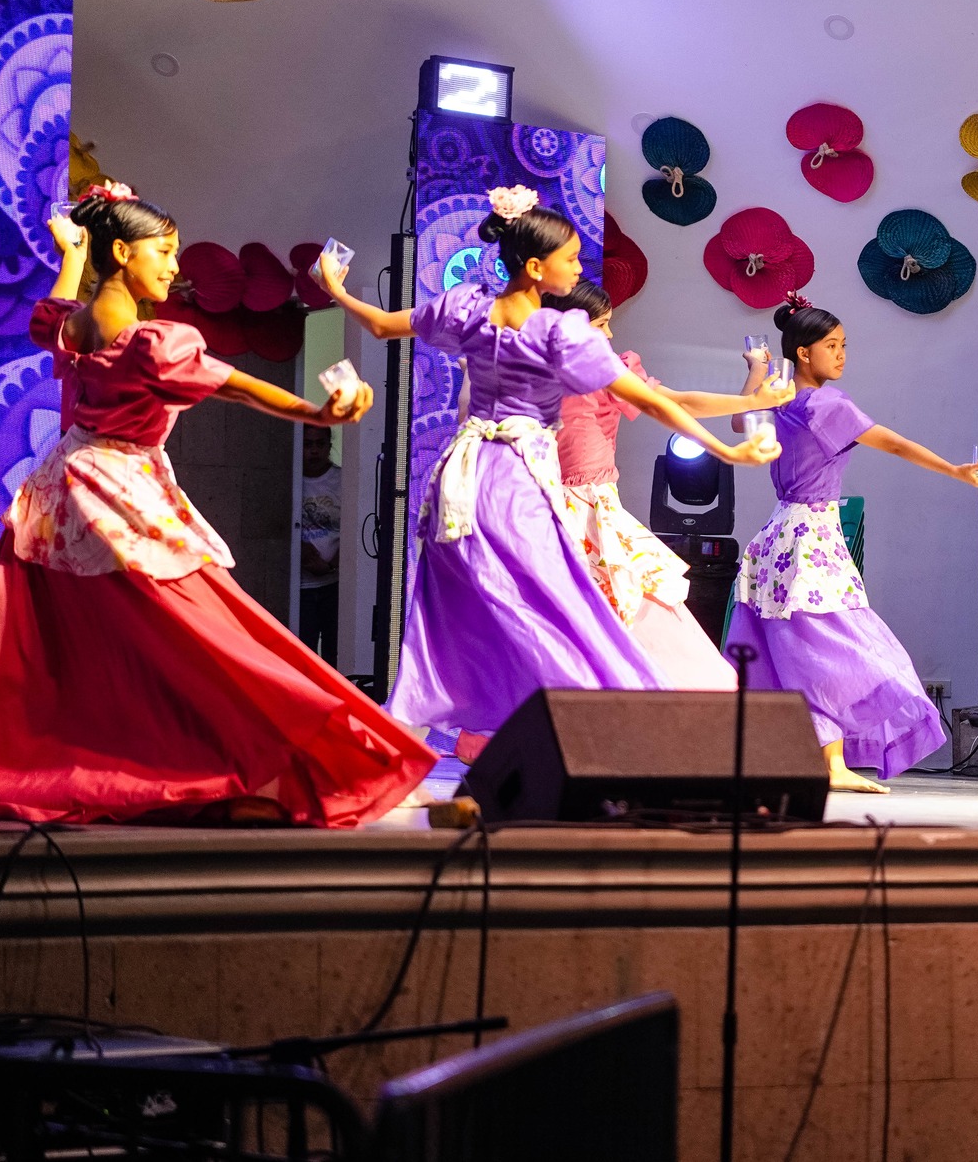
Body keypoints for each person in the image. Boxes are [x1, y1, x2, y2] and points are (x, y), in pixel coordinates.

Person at [0, 184, 437, 827]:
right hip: (117, 494)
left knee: (87, 641)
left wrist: (73, 255)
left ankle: (149, 755)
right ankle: (328, 759)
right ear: (122, 251)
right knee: (210, 636)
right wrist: (316, 413)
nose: (174, 266)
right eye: (163, 252)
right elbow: (237, 388)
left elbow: (51, 313)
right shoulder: (150, 344)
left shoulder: (77, 327)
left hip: (65, 490)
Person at [318, 187, 778, 750]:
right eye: (572, 258)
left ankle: (419, 735)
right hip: (516, 479)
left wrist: (337, 290)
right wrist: (726, 451)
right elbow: (655, 401)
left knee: (454, 611)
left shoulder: (466, 309)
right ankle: (600, 721)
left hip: (462, 480)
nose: (579, 267)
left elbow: (382, 326)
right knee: (560, 606)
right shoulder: (560, 333)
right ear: (536, 267)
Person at [725, 293, 978, 794]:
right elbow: (893, 443)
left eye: (844, 344)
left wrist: (756, 369)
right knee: (841, 650)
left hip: (777, 537)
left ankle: (821, 761)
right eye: (832, 345)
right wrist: (954, 470)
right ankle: (830, 764)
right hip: (811, 539)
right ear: (804, 352)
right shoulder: (829, 404)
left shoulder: (779, 397)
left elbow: (741, 420)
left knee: (795, 653)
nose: (842, 354)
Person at [540, 279, 790, 690]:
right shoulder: (561, 369)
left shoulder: (585, 369)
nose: (609, 334)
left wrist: (749, 401)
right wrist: (748, 407)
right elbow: (674, 403)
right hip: (563, 508)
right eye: (601, 324)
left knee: (620, 614)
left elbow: (673, 402)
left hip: (571, 508)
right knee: (604, 617)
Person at [298, 424, 341, 662]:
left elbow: (352, 529)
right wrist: (301, 551)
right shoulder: (292, 479)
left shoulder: (341, 480)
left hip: (334, 584)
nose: (314, 451)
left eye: (320, 444)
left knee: (337, 653)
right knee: (304, 655)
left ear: (329, 446)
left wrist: (332, 565)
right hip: (301, 587)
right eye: (307, 444)